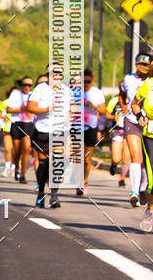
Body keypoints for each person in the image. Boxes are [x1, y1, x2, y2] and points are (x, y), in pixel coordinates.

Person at [28, 64, 72, 208]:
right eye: (53, 73)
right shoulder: (40, 89)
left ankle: (54, 194)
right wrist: (46, 109)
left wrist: (70, 116)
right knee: (43, 163)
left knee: (59, 160)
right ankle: (41, 192)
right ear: (48, 75)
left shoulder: (66, 90)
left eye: (59, 73)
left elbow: (72, 107)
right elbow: (30, 107)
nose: (56, 76)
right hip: (42, 130)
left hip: (60, 130)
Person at [120, 53, 152, 206]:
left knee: (147, 161)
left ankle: (143, 188)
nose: (143, 68)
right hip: (133, 120)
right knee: (137, 157)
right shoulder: (128, 79)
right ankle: (134, 193)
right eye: (140, 64)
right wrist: (124, 106)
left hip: (150, 123)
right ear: (136, 65)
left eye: (146, 65)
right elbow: (123, 93)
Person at [132, 59, 153, 231]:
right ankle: (150, 210)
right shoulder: (150, 84)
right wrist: (141, 114)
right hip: (152, 136)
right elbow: (135, 103)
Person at [77, 67, 107, 197]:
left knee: (87, 158)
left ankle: (84, 181)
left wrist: (92, 105)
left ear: (92, 81)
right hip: (76, 126)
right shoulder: (74, 92)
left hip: (91, 126)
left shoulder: (97, 93)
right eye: (83, 81)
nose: (86, 84)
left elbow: (103, 111)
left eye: (88, 82)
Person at [6, 76, 34, 183]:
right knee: (17, 150)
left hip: (28, 124)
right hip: (16, 123)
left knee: (26, 149)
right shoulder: (15, 94)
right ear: (21, 85)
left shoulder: (33, 95)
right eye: (25, 85)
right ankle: (17, 167)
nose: (27, 87)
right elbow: (8, 109)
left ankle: (23, 174)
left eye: (29, 85)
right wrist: (20, 109)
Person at [106, 92, 130, 187]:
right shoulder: (114, 100)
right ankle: (114, 164)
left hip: (129, 131)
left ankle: (122, 179)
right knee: (116, 158)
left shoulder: (133, 100)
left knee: (126, 157)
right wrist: (114, 117)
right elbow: (107, 114)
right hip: (117, 131)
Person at [0, 86, 17, 176]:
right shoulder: (5, 102)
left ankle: (14, 167)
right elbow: (0, 113)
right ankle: (7, 166)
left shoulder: (21, 103)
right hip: (7, 128)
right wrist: (4, 117)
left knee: (15, 150)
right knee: (8, 149)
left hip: (18, 128)